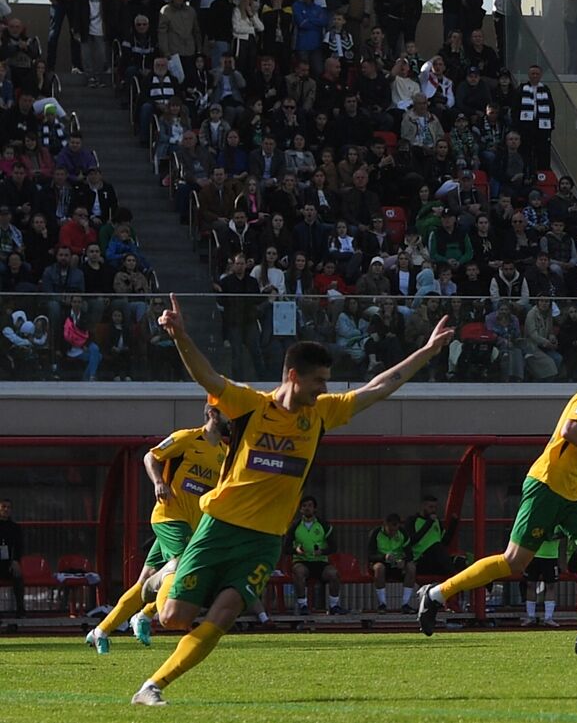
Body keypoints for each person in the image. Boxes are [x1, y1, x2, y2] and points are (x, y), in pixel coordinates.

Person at [128, 293, 452, 707]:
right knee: (174, 617)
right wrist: (179, 336)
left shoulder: (320, 414)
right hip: (220, 526)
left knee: (224, 616)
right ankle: (161, 577)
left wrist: (426, 351)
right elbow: (207, 378)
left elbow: (379, 387)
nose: (325, 389)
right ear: (294, 376)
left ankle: (152, 686)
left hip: (265, 539)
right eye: (319, 380)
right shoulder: (249, 404)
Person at [416, 343, 577, 658]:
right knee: (514, 562)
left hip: (569, 493)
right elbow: (571, 429)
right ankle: (437, 594)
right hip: (546, 485)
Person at [87, 405, 233, 654]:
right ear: (213, 414)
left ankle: (101, 630)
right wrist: (159, 482)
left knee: (144, 581)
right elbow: (150, 457)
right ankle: (153, 615)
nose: (235, 419)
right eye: (231, 413)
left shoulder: (224, 452)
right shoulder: (187, 438)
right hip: (169, 517)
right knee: (181, 564)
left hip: (193, 526)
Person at [285, 496, 340, 615]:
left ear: (315, 508)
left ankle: (334, 606)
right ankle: (303, 605)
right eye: (304, 506)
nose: (307, 508)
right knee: (298, 572)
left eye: (310, 505)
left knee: (334, 574)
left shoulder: (323, 525)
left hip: (320, 562)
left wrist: (322, 551)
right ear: (300, 510)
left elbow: (333, 547)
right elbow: (285, 548)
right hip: (302, 561)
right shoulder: (294, 526)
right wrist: (296, 550)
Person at [0, 498, 23, 617]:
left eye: (8, 507)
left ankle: (20, 610)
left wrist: (15, 561)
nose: (6, 510)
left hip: (8, 564)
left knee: (18, 577)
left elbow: (19, 547)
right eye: (3, 507)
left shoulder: (15, 527)